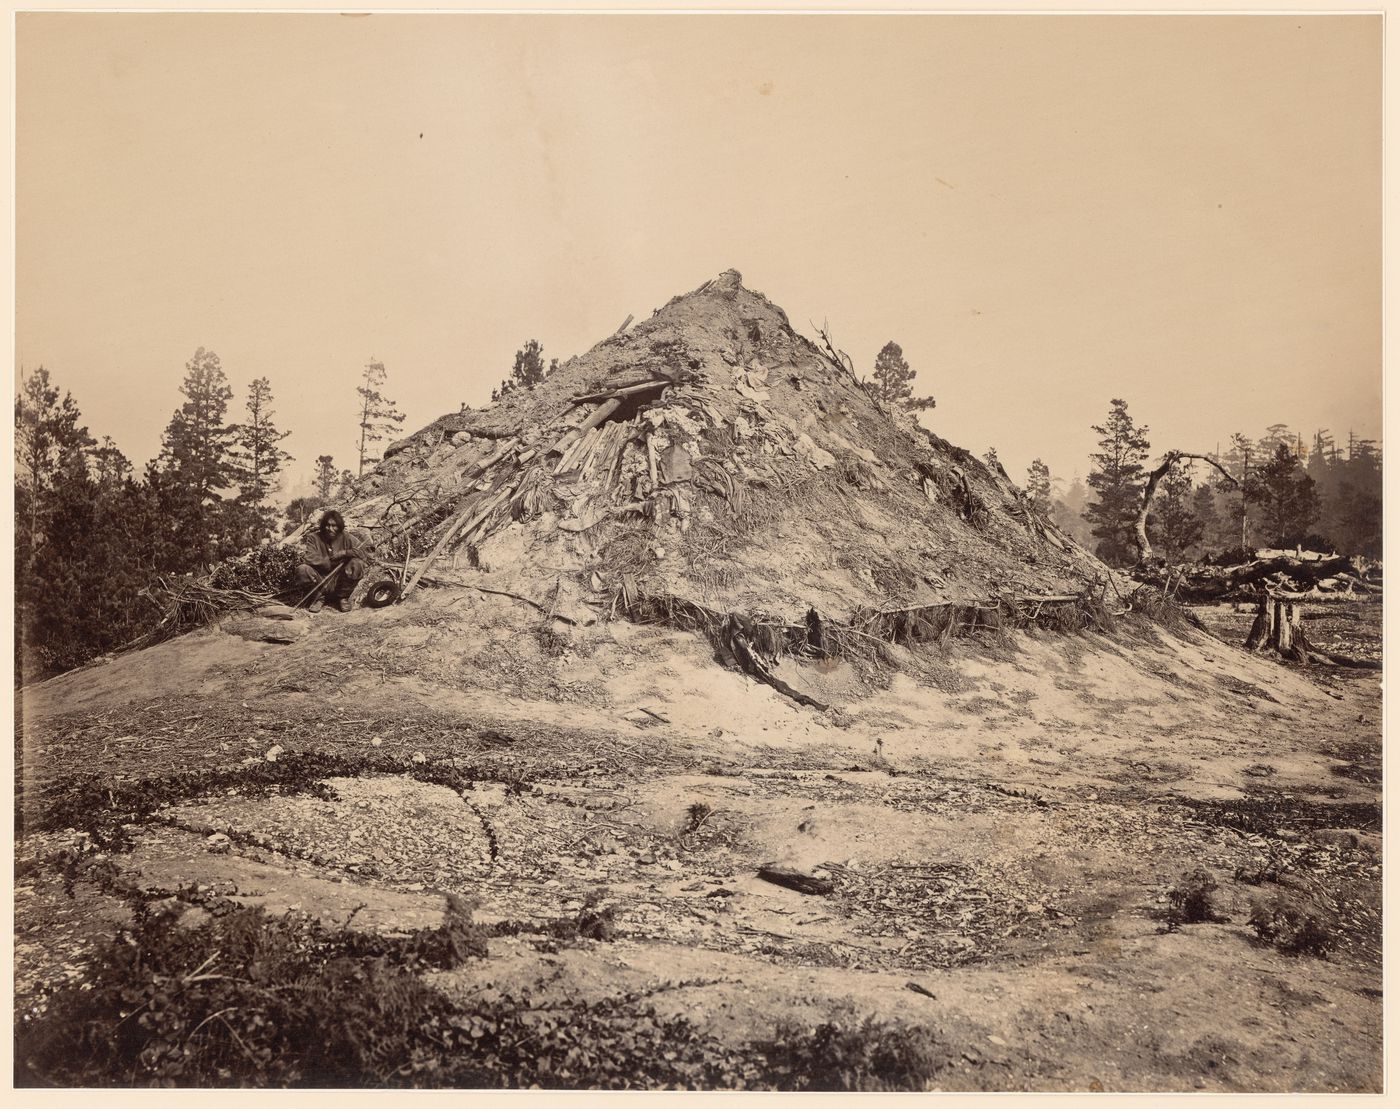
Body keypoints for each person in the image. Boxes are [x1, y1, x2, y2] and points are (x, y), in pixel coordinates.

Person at [296, 510, 365, 612]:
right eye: (327, 525)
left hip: (340, 580)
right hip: (321, 579)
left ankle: (342, 598)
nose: (330, 529)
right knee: (302, 569)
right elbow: (309, 557)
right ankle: (318, 599)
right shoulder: (313, 538)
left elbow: (363, 552)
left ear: (339, 526)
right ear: (323, 525)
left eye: (334, 526)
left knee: (357, 563)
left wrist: (344, 553)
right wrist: (329, 562)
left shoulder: (346, 537)